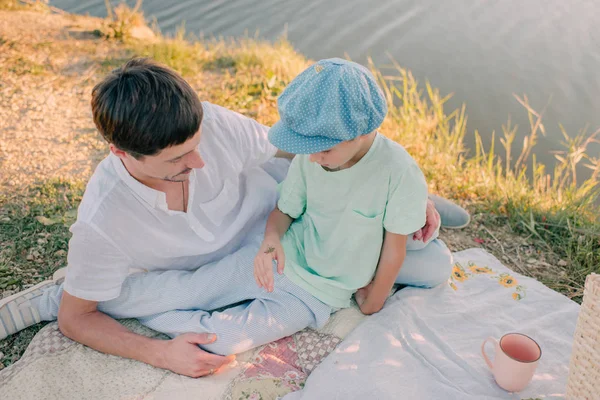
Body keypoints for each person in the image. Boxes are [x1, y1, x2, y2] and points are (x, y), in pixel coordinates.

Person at [0, 58, 469, 378]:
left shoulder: (214, 124)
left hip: (297, 228)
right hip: (263, 255)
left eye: (197, 146)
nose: (200, 163)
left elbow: (299, 148)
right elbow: (77, 319)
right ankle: (63, 290)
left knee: (431, 264)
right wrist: (160, 352)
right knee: (153, 299)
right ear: (122, 154)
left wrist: (404, 185)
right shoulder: (104, 219)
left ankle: (419, 203)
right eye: (179, 160)